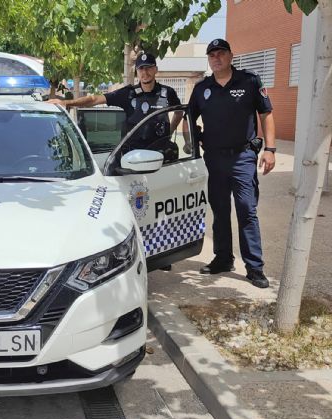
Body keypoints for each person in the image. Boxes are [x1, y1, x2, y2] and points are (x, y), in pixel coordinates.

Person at [187, 38, 276, 288]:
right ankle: (223, 258)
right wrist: (191, 142)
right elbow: (188, 118)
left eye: (221, 53)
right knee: (220, 210)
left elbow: (266, 113)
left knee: (247, 210)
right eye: (212, 54)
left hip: (243, 158)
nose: (216, 58)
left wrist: (270, 149)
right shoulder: (202, 88)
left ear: (231, 56)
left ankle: (255, 267)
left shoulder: (249, 81)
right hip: (214, 158)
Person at [47, 52, 183, 161]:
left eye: (148, 68)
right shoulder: (128, 93)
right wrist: (66, 103)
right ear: (137, 71)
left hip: (161, 155)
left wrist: (169, 132)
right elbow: (94, 99)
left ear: (156, 70)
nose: (145, 72)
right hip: (134, 156)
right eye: (141, 68)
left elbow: (179, 112)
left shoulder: (168, 92)